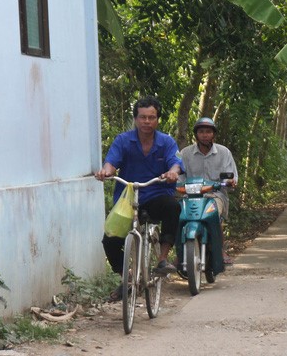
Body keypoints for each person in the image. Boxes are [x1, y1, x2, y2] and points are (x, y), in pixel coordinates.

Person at [95, 96, 183, 302]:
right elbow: (111, 163)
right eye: (142, 117)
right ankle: (127, 277)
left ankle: (162, 259)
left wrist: (172, 172)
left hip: (156, 194)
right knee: (110, 240)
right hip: (128, 200)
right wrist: (105, 171)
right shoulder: (123, 141)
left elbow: (175, 163)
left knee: (173, 207)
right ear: (135, 119)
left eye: (151, 117)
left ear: (157, 120)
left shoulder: (166, 142)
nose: (147, 121)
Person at [179, 117, 238, 264]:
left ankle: (220, 249)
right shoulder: (185, 153)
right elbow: (179, 177)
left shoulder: (224, 153)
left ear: (213, 134)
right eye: (201, 132)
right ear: (196, 134)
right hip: (190, 195)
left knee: (214, 215)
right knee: (179, 217)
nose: (205, 135)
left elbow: (231, 177)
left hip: (215, 195)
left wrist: (229, 182)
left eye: (208, 132)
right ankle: (180, 253)